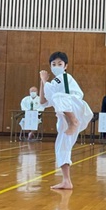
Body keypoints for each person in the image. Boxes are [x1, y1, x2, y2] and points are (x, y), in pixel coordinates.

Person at [39, 51, 93, 190]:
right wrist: (42, 81)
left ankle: (73, 121)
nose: (56, 66)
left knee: (58, 96)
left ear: (65, 66)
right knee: (61, 146)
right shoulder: (53, 83)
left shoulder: (64, 77)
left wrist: (45, 80)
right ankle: (66, 181)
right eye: (53, 64)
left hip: (76, 107)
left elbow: (54, 94)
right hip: (64, 116)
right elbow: (43, 101)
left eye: (59, 63)